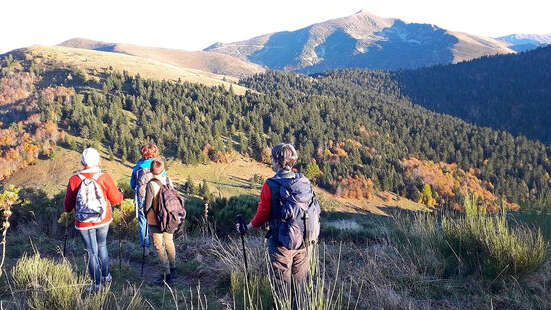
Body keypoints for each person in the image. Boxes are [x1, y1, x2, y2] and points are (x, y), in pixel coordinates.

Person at [236, 143, 320, 292]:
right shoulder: (304, 182)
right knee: (300, 287)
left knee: (282, 287)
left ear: (276, 160)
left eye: (272, 158)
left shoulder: (270, 184)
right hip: (304, 243)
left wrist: (246, 227)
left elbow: (262, 215)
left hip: (281, 243)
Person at [63, 148, 123, 292]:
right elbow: (116, 200)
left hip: (83, 222)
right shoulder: (104, 177)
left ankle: (96, 285)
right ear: (97, 161)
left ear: (83, 161)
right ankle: (106, 276)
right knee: (102, 246)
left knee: (91, 252)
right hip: (103, 218)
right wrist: (120, 193)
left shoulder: (74, 179)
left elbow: (67, 206)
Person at [143, 159, 177, 285]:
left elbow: (147, 205)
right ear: (163, 170)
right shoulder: (168, 180)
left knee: (159, 246)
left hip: (156, 219)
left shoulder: (151, 184)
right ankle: (173, 268)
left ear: (151, 171)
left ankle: (166, 274)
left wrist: (146, 215)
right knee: (169, 241)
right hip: (169, 218)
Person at [130, 143, 163, 255]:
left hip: (142, 197)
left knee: (143, 221)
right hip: (157, 197)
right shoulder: (159, 165)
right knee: (157, 220)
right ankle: (159, 246)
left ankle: (145, 247)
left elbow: (132, 184)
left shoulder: (138, 167)